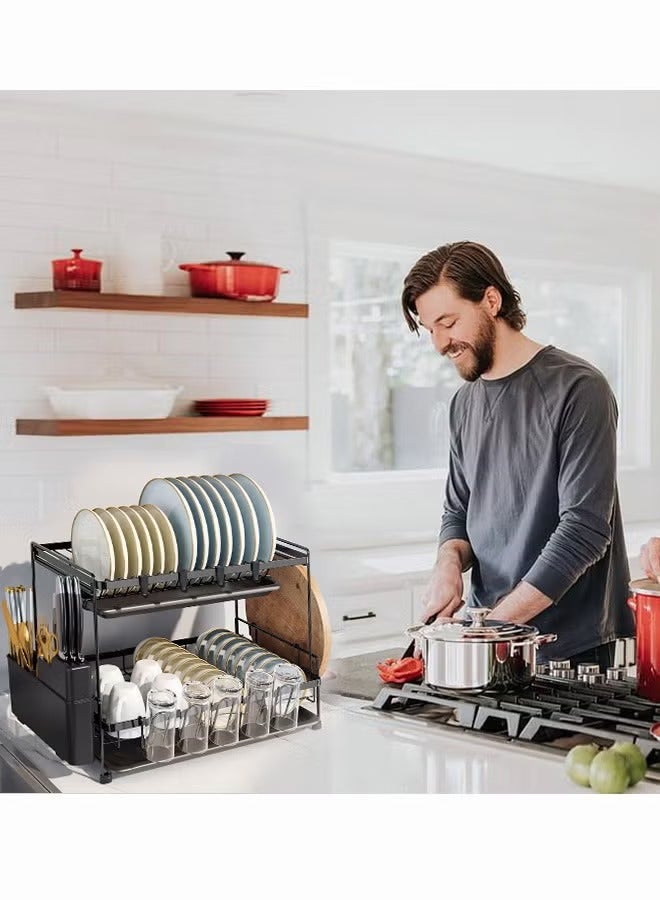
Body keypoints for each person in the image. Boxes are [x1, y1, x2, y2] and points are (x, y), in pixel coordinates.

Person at [401, 240, 634, 667]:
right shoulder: (463, 403)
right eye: (429, 328)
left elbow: (585, 531)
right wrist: (447, 565)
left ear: (492, 300)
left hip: (569, 649)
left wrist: (491, 630)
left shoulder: (579, 389)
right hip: (487, 634)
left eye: (447, 322)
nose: (439, 343)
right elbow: (458, 511)